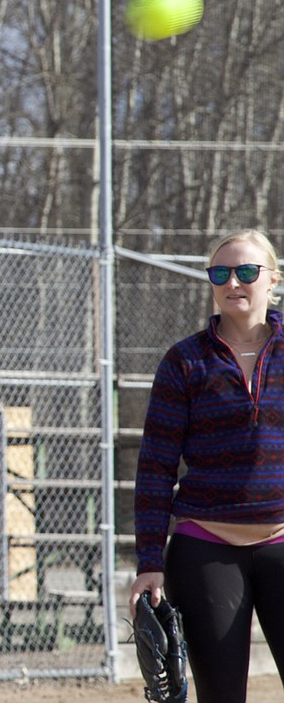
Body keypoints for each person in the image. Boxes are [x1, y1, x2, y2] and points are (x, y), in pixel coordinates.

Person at [129, 228, 284, 703]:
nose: (233, 282)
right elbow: (156, 465)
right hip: (205, 548)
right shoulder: (185, 361)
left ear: (273, 279)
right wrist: (149, 561)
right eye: (220, 272)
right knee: (220, 695)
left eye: (246, 271)